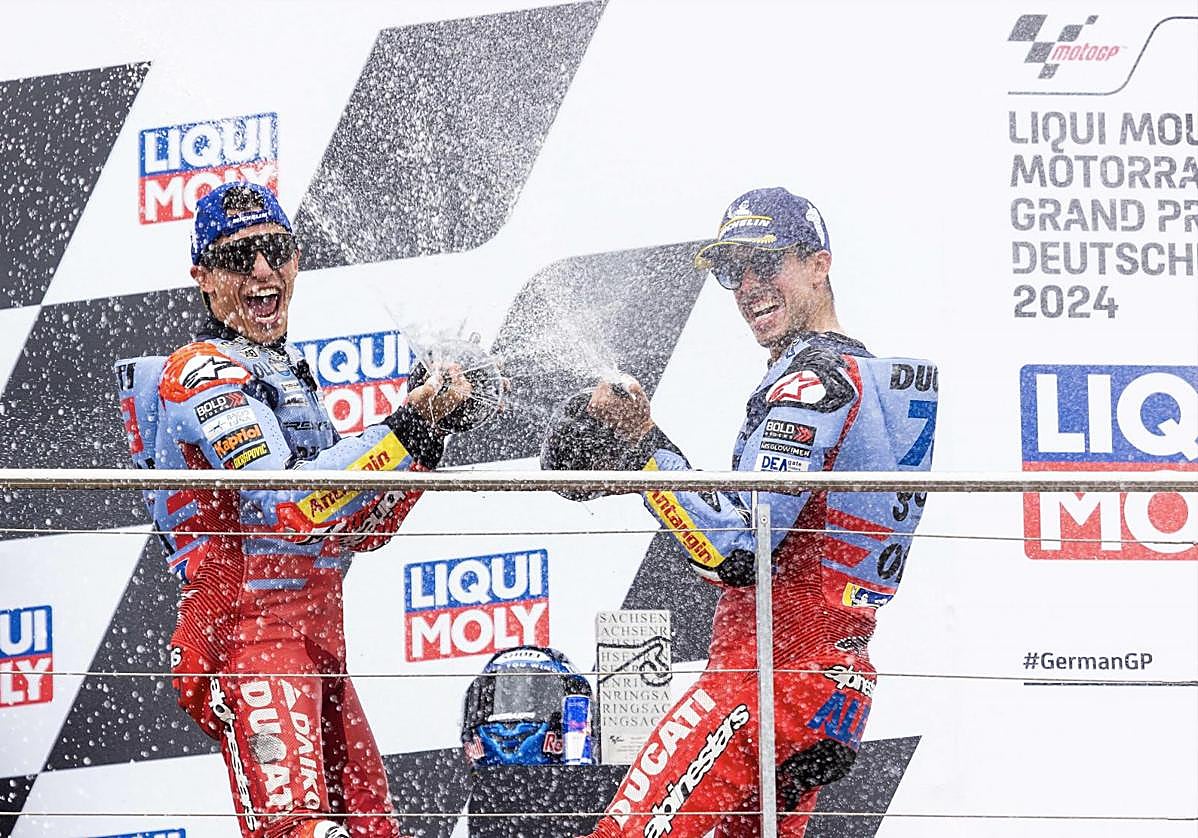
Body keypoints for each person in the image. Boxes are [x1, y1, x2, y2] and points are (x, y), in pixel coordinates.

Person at [544, 187, 938, 838]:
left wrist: (644, 450)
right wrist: (645, 461)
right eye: (734, 271)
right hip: (830, 690)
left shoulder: (813, 381)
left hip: (762, 682)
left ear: (819, 264)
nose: (749, 286)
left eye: (766, 263)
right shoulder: (871, 380)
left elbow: (737, 548)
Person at [115, 182, 489, 838]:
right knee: (297, 831)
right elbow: (294, 506)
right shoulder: (201, 372)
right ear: (203, 277)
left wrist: (427, 435)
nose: (262, 271)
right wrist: (403, 427)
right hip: (245, 632)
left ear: (295, 260)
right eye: (240, 258)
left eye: (276, 250)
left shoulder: (287, 371)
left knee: (370, 831)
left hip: (319, 638)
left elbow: (358, 529)